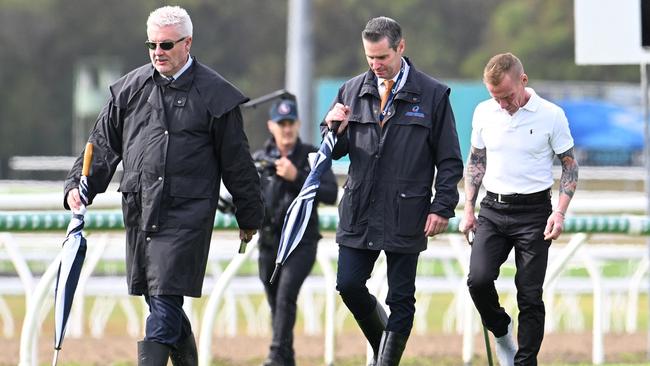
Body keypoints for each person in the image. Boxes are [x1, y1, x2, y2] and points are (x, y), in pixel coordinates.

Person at [63, 6, 263, 366]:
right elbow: (102, 146)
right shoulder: (128, 89)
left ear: (187, 44)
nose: (158, 51)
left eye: (167, 44)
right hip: (140, 210)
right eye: (152, 44)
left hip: (186, 216)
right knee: (160, 303)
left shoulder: (216, 94)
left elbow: (237, 162)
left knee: (164, 302)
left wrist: (249, 215)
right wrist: (79, 188)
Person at [323, 16, 464, 365]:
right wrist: (332, 127)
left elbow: (449, 160)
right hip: (360, 210)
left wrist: (442, 205)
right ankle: (384, 346)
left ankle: (386, 360)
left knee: (402, 299)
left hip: (408, 212)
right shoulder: (351, 90)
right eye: (369, 58)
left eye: (382, 58)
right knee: (349, 285)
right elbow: (335, 151)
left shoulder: (433, 95)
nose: (375, 66)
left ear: (401, 48)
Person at [460, 52, 579, 366]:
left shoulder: (552, 115)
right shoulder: (484, 112)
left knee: (529, 294)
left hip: (534, 213)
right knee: (478, 281)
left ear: (523, 81)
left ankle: (525, 362)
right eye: (495, 97)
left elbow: (569, 167)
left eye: (508, 96)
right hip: (493, 210)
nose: (502, 104)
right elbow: (476, 161)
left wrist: (560, 212)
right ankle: (501, 331)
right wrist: (469, 208)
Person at [253, 98, 338, 366]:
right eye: (281, 124)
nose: (286, 129)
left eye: (291, 124)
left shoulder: (313, 156)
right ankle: (286, 358)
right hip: (268, 242)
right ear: (271, 126)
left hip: (301, 242)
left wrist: (297, 177)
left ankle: (276, 355)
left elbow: (330, 193)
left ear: (298, 124)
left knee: (286, 295)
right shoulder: (259, 159)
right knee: (275, 302)